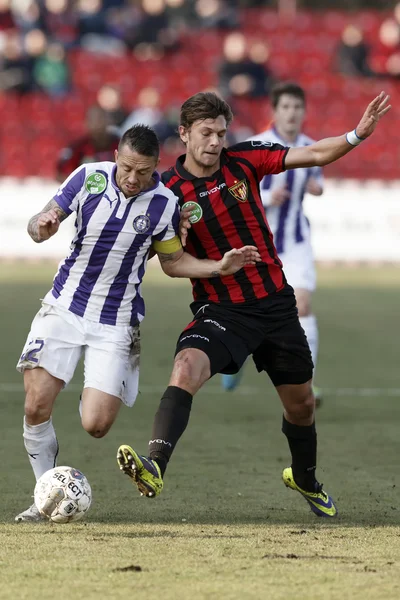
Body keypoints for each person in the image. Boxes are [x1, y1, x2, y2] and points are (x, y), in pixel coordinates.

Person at [117, 91, 390, 518]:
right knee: (186, 366)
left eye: (221, 133)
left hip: (276, 306)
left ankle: (305, 478)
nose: (215, 142)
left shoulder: (245, 160)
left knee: (300, 406)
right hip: (221, 310)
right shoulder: (166, 191)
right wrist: (178, 237)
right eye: (206, 133)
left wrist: (356, 134)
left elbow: (314, 153)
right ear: (184, 133)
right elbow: (159, 255)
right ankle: (155, 464)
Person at [15, 123, 260, 522]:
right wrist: (40, 226)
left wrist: (218, 266)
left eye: (143, 172)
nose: (133, 179)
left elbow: (173, 262)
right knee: (36, 403)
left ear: (155, 168)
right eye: (127, 168)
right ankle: (45, 498)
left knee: (96, 424)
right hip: (64, 307)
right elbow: (43, 220)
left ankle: (90, 381)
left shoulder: (164, 203)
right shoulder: (87, 178)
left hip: (115, 321)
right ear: (116, 156)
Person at [221, 83, 323, 402]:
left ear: (304, 112)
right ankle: (236, 362)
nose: (292, 113)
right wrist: (268, 196)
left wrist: (315, 187)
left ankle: (306, 381)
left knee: (302, 305)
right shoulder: (257, 146)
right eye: (286, 107)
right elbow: (236, 193)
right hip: (257, 244)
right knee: (249, 311)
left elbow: (316, 181)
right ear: (275, 111)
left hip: (296, 242)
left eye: (297, 107)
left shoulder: (310, 147)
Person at [56, 105, 120, 183]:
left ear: (108, 121)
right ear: (87, 123)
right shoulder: (78, 147)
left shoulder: (120, 145)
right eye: (93, 120)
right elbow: (62, 175)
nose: (98, 124)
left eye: (101, 119)